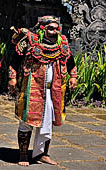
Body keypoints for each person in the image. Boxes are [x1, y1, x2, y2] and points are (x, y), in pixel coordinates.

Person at [8, 15, 77, 166]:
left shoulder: (62, 43)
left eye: (56, 28)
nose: (54, 32)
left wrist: (73, 76)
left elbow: (70, 60)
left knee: (48, 122)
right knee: (26, 121)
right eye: (50, 28)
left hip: (53, 91)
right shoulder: (28, 42)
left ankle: (42, 154)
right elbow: (14, 60)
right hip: (31, 89)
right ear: (42, 28)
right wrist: (12, 78)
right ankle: (24, 155)